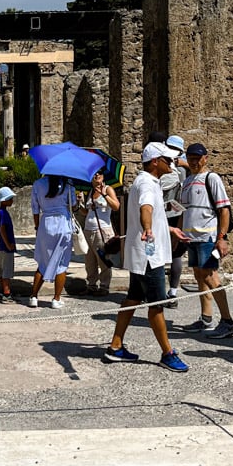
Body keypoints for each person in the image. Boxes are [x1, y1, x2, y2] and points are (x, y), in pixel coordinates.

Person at [103, 142, 189, 372]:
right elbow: (146, 210)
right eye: (167, 160)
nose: (171, 163)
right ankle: (167, 353)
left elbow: (153, 212)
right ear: (155, 162)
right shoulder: (148, 185)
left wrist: (169, 230)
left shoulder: (145, 182)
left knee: (132, 299)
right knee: (157, 306)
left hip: (141, 255)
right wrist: (149, 229)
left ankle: (115, 346)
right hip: (150, 256)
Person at [178, 143, 233, 338]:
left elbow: (224, 210)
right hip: (192, 237)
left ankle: (228, 321)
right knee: (200, 276)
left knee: (211, 277)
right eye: (190, 158)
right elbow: (183, 210)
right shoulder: (187, 181)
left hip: (207, 237)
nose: (194, 161)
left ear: (205, 158)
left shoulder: (211, 179)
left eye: (197, 158)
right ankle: (206, 318)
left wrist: (222, 238)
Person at [29, 173, 75, 308]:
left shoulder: (38, 184)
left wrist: (37, 227)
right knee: (62, 262)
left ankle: (34, 296)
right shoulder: (68, 183)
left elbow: (35, 208)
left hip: (46, 223)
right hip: (62, 223)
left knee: (43, 261)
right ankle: (56, 298)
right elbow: (73, 205)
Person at [81, 169, 120, 295]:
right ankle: (91, 285)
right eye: (94, 173)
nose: (97, 175)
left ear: (103, 177)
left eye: (99, 173)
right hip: (88, 230)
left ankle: (104, 287)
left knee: (103, 261)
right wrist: (78, 205)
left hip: (102, 230)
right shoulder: (90, 192)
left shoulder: (108, 189)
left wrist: (104, 195)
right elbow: (87, 213)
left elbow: (116, 206)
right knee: (90, 261)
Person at [162, 135, 187, 308]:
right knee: (176, 254)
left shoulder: (161, 163)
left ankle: (156, 292)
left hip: (159, 214)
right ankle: (173, 292)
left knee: (153, 251)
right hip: (178, 212)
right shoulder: (184, 165)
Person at [0, 186, 16, 302]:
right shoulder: (3, 213)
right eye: (10, 199)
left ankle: (4, 290)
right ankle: (7, 294)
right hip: (6, 246)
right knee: (7, 271)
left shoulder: (1, 212)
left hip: (2, 246)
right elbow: (2, 229)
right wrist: (8, 244)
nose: (12, 201)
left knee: (3, 270)